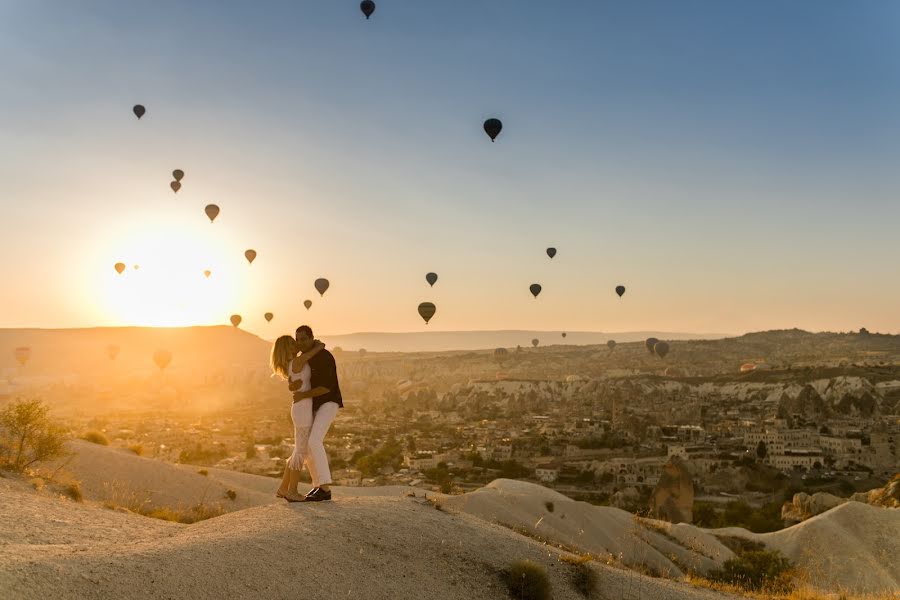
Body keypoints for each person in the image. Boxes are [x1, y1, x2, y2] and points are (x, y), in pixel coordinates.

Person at [288, 325, 343, 502]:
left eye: (304, 339)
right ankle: (318, 485)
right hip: (312, 404)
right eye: (297, 339)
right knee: (307, 445)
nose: (301, 343)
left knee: (314, 440)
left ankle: (325, 487)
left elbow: (326, 387)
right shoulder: (304, 358)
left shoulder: (325, 357)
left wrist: (303, 394)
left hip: (328, 402)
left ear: (312, 338)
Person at [270, 334, 324, 502]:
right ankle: (292, 491)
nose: (298, 345)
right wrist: (317, 346)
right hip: (302, 410)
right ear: (288, 348)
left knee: (299, 450)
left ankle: (283, 488)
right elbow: (314, 351)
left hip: (301, 408)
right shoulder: (297, 362)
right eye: (294, 344)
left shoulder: (292, 363)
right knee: (301, 451)